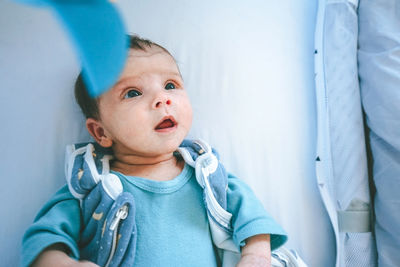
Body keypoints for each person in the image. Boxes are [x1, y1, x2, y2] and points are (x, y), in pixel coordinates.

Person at [22, 35, 287, 267]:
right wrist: (60, 261)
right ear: (101, 132)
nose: (163, 99)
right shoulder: (92, 189)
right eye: (133, 92)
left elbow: (253, 220)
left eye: (170, 85)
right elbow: (45, 237)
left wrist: (256, 256)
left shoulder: (207, 176)